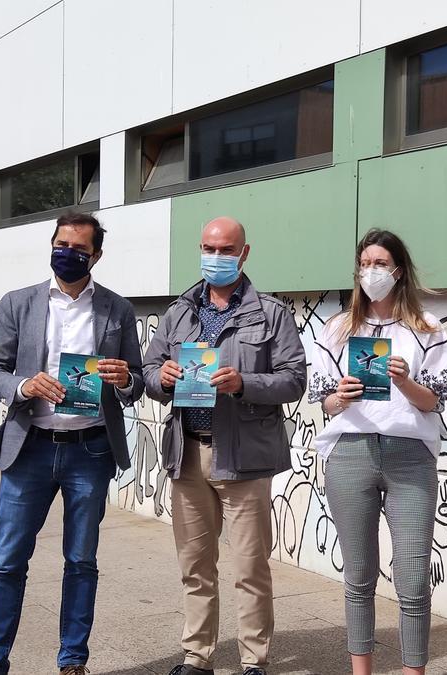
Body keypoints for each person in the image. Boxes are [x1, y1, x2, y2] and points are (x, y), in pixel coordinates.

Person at [0, 213, 145, 675]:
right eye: (60, 244)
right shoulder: (19, 303)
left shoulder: (117, 309)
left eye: (78, 249)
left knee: (81, 561)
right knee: (8, 562)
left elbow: (138, 381)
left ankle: (73, 660)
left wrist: (126, 378)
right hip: (28, 447)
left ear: (96, 256)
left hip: (89, 451)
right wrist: (25, 386)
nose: (67, 254)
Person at [143, 216, 306, 675]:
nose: (215, 257)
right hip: (188, 453)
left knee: (250, 568)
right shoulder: (179, 311)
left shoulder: (271, 313)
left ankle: (254, 661)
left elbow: (294, 380)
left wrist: (243, 382)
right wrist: (162, 377)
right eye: (208, 248)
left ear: (244, 253)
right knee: (195, 566)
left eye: (225, 249)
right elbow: (150, 370)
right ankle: (197, 658)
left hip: (244, 457)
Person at [308, 229, 447, 675]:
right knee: (358, 577)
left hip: (411, 456)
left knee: (413, 579)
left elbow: (435, 401)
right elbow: (326, 404)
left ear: (399, 270)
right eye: (365, 263)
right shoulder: (336, 328)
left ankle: (414, 671)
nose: (372, 271)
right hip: (350, 453)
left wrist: (405, 381)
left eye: (381, 263)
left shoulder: (428, 327)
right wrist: (342, 396)